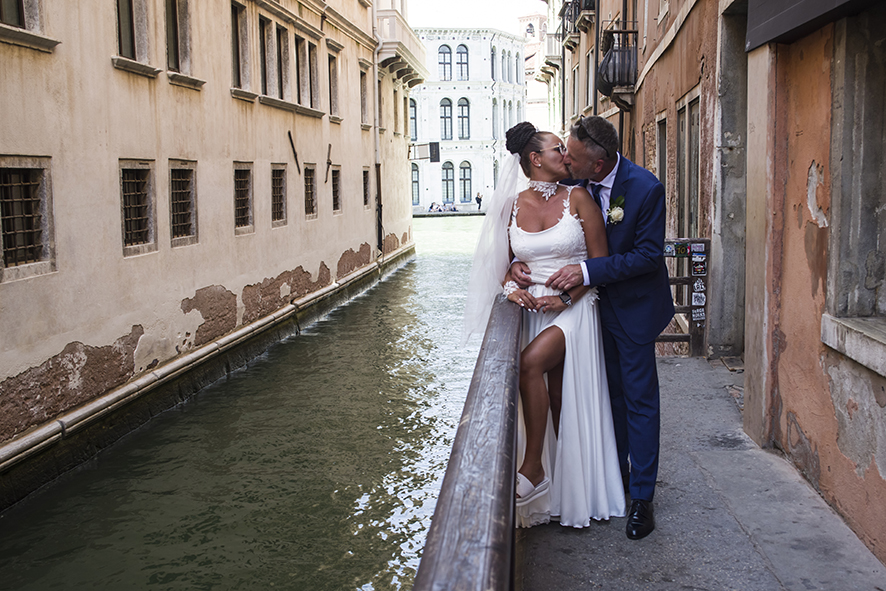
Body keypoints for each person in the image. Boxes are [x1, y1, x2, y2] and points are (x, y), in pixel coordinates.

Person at [515, 116, 674, 540]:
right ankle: (611, 478)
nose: (565, 158)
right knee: (608, 398)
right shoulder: (575, 186)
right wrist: (519, 263)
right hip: (589, 310)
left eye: (572, 154)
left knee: (639, 401)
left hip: (633, 309)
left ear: (597, 164)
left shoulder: (645, 189)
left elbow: (646, 257)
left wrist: (585, 272)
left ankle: (641, 498)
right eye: (562, 150)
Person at [463, 122, 625, 528]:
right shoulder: (512, 205)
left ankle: (532, 467)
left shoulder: (580, 198)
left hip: (574, 310)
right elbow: (497, 264)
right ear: (535, 160)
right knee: (557, 398)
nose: (565, 156)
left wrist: (567, 297)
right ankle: (564, 491)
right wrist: (510, 281)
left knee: (530, 365)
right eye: (557, 150)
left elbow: (600, 265)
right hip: (533, 312)